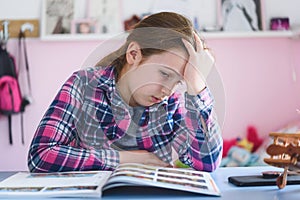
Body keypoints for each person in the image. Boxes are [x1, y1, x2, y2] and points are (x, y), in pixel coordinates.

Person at [27, 12, 223, 173]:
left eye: (179, 81)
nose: (168, 90)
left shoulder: (171, 103)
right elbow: (40, 156)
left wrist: (197, 88)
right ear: (134, 54)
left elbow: (207, 164)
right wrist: (126, 159)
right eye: (164, 74)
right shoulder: (83, 84)